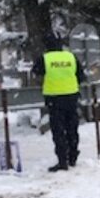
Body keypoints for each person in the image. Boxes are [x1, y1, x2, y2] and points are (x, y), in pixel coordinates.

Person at [32, 32, 84, 172]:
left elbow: (36, 74)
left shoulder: (45, 58)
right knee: (72, 128)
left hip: (54, 100)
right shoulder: (70, 57)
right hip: (72, 97)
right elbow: (81, 76)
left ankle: (62, 161)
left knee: (58, 130)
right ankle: (73, 156)